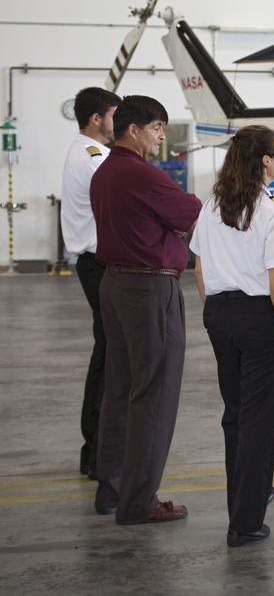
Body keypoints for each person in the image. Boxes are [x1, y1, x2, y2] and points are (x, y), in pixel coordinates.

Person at [90, 95, 203, 525]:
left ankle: (113, 490)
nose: (160, 137)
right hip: (148, 288)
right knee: (154, 394)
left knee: (120, 393)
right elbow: (193, 215)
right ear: (133, 129)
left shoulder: (105, 171)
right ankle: (140, 501)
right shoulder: (140, 174)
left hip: (116, 284)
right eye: (156, 128)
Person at [191, 126, 274, 547]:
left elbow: (200, 271)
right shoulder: (273, 215)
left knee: (236, 414)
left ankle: (241, 500)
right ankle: (247, 521)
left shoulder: (212, 205)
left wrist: (217, 311)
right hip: (262, 318)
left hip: (219, 314)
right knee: (260, 421)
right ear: (264, 162)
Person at [60, 86, 120, 480]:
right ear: (97, 119)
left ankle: (95, 449)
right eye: (115, 116)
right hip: (100, 264)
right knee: (111, 355)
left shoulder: (84, 152)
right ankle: (96, 450)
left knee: (110, 353)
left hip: (94, 263)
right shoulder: (94, 158)